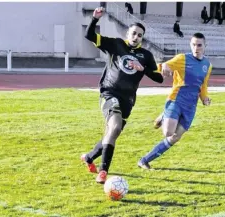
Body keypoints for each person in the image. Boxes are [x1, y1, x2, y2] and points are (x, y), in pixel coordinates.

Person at [80, 7, 164, 184]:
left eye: (140, 35)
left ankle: (89, 157)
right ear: (128, 33)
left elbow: (159, 78)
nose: (136, 37)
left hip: (128, 100)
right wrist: (95, 19)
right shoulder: (116, 44)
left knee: (112, 133)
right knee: (115, 127)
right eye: (134, 33)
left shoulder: (146, 56)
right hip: (109, 93)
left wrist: (145, 69)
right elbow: (89, 35)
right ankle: (103, 172)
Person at [137, 32, 213, 170]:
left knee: (175, 137)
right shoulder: (182, 58)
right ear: (190, 45)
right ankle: (165, 114)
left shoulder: (207, 65)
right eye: (194, 44)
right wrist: (164, 66)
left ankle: (144, 160)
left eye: (199, 45)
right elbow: (163, 66)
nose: (196, 48)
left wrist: (205, 98)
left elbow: (203, 85)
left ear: (205, 46)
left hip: (191, 106)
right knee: (167, 132)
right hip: (176, 100)